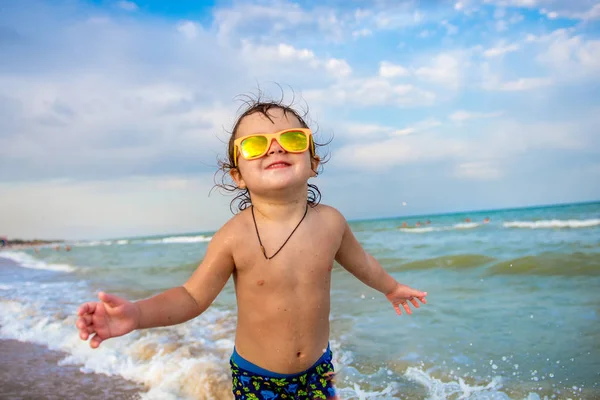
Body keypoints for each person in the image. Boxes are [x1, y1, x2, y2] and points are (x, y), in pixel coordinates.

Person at [75, 97, 428, 400]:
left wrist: (391, 287)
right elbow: (192, 297)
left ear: (313, 163)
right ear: (237, 175)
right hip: (258, 377)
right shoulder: (234, 237)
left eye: (291, 138)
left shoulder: (331, 223)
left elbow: (362, 262)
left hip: (318, 368)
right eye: (255, 144)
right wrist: (136, 315)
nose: (275, 147)